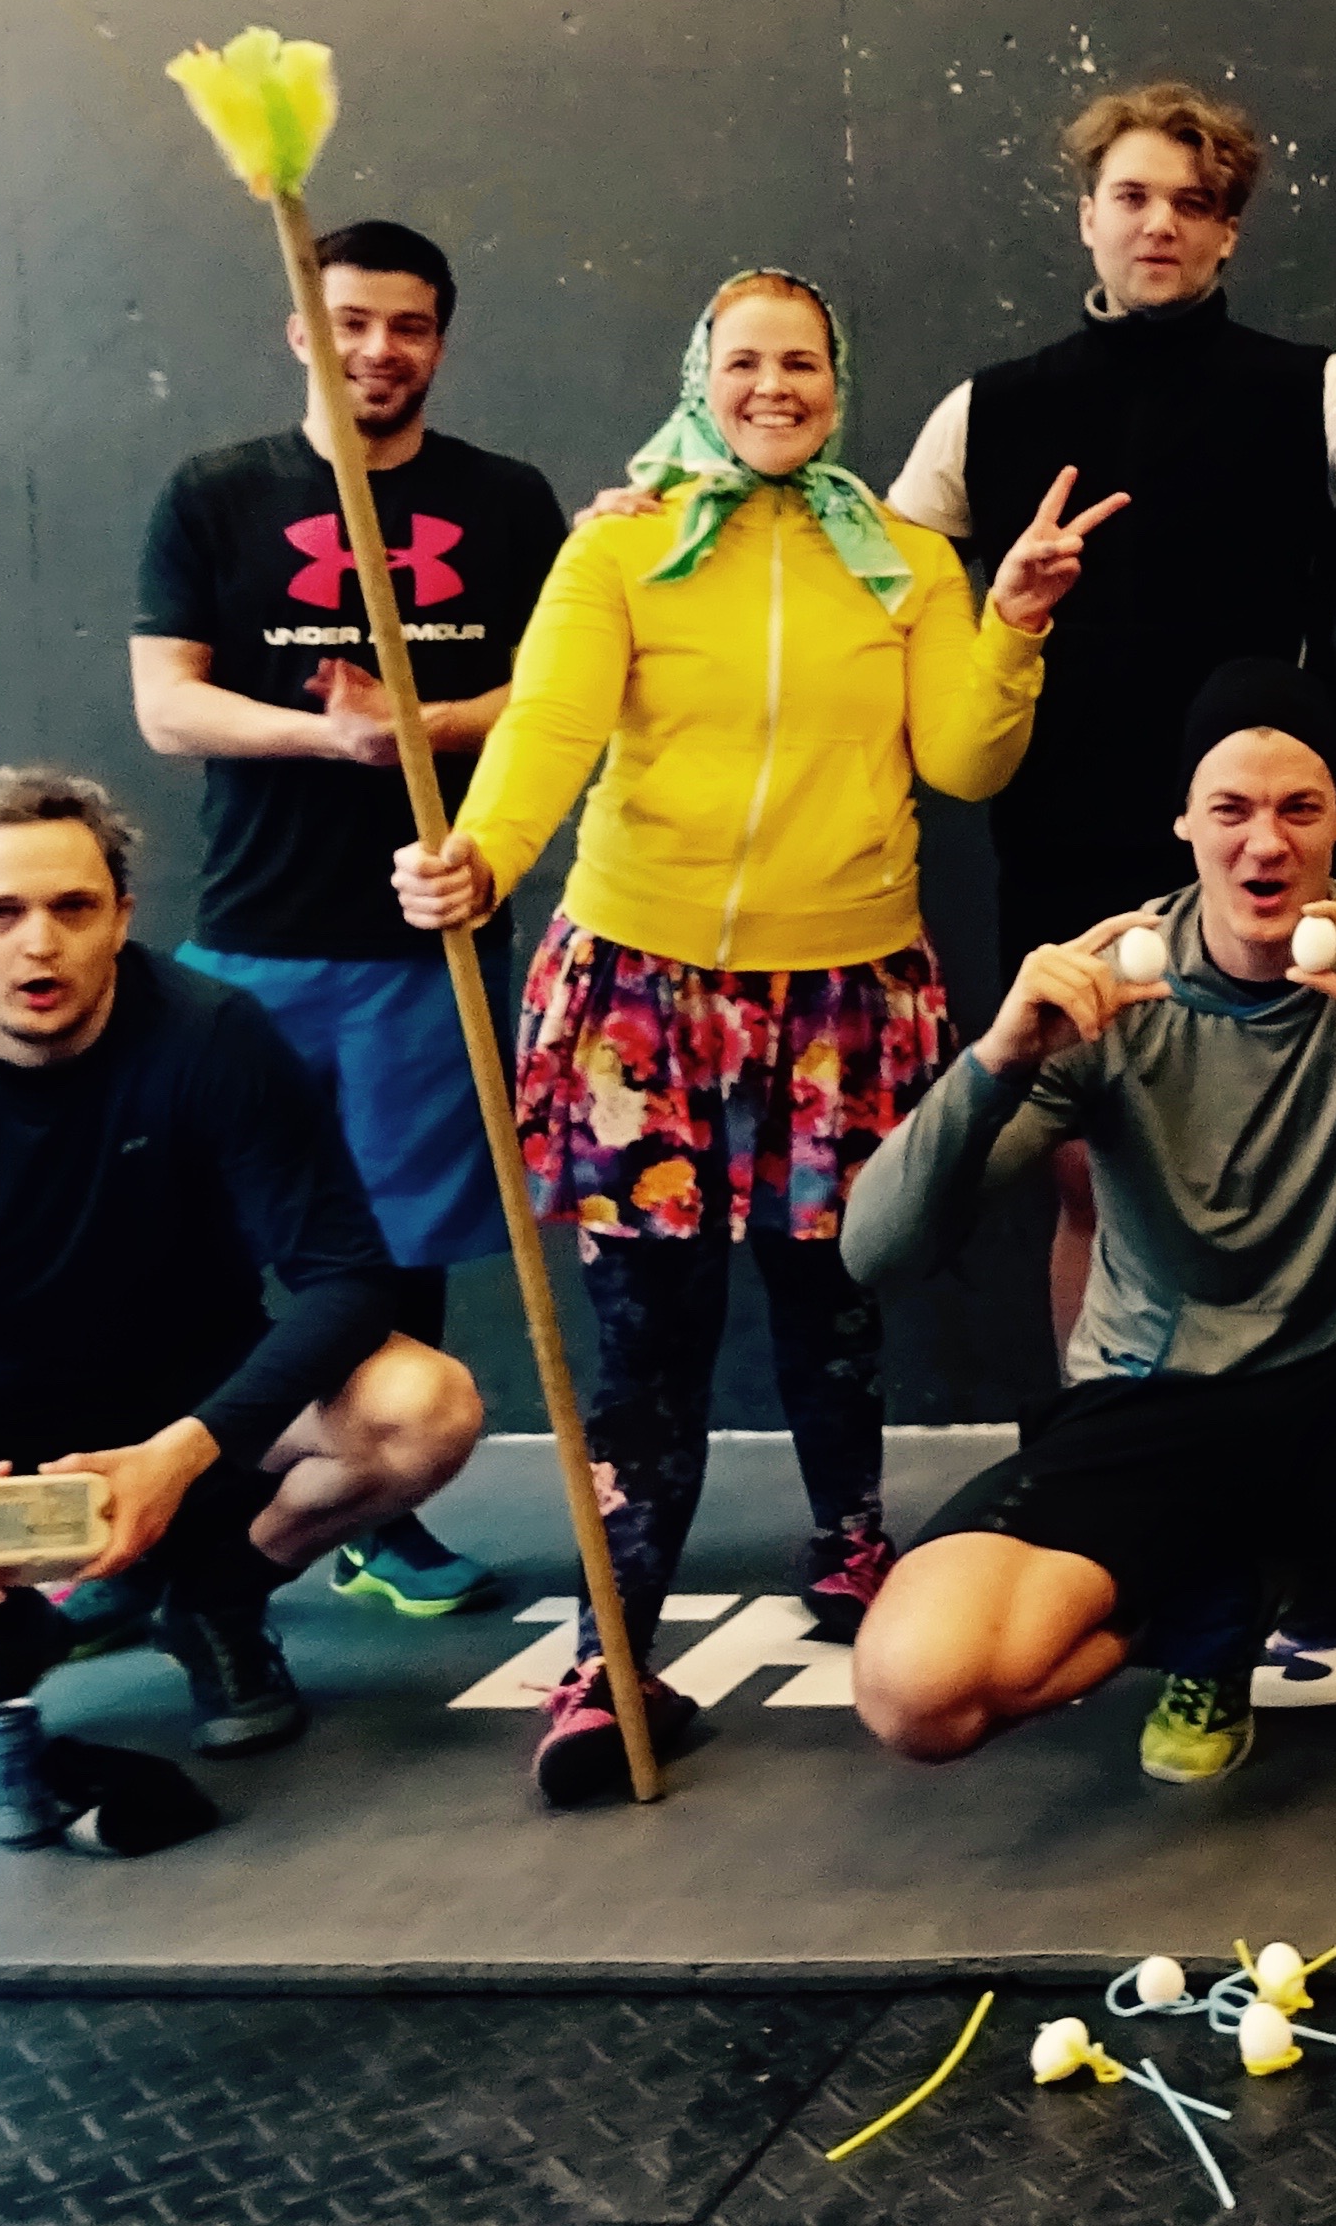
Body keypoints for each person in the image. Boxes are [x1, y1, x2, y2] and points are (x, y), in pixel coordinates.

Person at [397, 268, 1095, 1804]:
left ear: (840, 384)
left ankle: (847, 1538)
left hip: (844, 991)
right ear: (699, 377)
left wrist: (1013, 625)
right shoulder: (621, 545)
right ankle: (613, 1652)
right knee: (646, 1343)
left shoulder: (906, 555)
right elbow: (549, 733)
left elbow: (966, 764)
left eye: (802, 364)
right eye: (745, 362)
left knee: (830, 1301)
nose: (774, 386)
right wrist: (483, 858)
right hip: (642, 994)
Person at [838, 665, 1336, 1845]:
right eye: (1232, 808)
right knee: (918, 1692)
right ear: (1185, 824)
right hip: (1155, 1407)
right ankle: (1206, 1610)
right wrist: (997, 1059)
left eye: (1299, 808)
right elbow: (878, 1248)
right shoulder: (1105, 988)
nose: (1265, 841)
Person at [0, 771, 485, 1852]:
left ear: (121, 916)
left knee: (425, 1404)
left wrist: (182, 1451)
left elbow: (348, 1277)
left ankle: (214, 1598)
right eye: (0, 913)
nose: (40, 944)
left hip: (185, 1395)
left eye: (73, 907)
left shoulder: (213, 1035)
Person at [877, 85, 1336, 1357]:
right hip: (1068, 849)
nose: (1159, 222)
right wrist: (674, 506)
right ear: (1087, 217)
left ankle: (1292, 1430)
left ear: (1229, 230)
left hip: (1261, 844)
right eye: (1132, 195)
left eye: (1193, 201)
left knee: (1302, 1156)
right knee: (1087, 1170)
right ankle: (1099, 1437)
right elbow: (853, 566)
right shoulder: (985, 409)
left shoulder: (1314, 386)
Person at [129, 217, 562, 1621]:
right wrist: (335, 740)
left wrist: (423, 726)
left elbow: (558, 692)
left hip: (427, 941)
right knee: (214, 1239)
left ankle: (385, 1514)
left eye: (408, 326)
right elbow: (166, 704)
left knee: (397, 1239)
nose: (378, 349)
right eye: (351, 321)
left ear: (441, 341)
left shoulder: (504, 499)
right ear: (300, 331)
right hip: (251, 939)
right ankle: (195, 1494)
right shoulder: (215, 493)